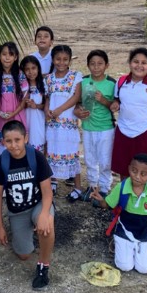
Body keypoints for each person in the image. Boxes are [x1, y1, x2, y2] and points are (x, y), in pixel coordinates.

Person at [0, 120, 55, 289]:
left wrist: (43, 214)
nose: (14, 145)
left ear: (25, 138)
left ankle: (43, 266)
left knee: (46, 223)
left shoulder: (36, 157)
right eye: (9, 141)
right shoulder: (1, 162)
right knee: (24, 254)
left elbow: (47, 192)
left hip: (37, 204)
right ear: (3, 142)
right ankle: (28, 232)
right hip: (18, 211)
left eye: (17, 140)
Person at [109, 47, 147, 179]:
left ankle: (142, 199)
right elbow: (118, 101)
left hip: (144, 133)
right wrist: (115, 105)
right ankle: (125, 197)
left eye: (144, 63)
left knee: (143, 172)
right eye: (136, 61)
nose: (139, 66)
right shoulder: (121, 82)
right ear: (130, 63)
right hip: (123, 131)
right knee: (124, 169)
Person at [75, 50, 116, 204]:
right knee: (90, 158)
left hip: (105, 128)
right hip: (87, 127)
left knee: (105, 160)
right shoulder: (83, 81)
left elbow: (115, 106)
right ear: (88, 65)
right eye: (92, 64)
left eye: (100, 64)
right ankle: (92, 187)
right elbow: (77, 100)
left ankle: (104, 189)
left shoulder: (112, 83)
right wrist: (78, 111)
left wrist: (103, 100)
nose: (96, 67)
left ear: (107, 65)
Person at [44, 45, 83, 202]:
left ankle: (78, 187)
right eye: (58, 59)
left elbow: (75, 97)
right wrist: (47, 110)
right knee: (52, 151)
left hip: (68, 123)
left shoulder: (75, 76)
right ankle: (52, 182)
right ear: (53, 60)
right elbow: (47, 97)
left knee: (72, 152)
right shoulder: (48, 78)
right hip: (53, 124)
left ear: (70, 60)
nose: (61, 62)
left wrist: (59, 109)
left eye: (65, 59)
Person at [0, 42, 28, 162]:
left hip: (16, 116)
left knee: (16, 147)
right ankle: (0, 176)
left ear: (15, 57)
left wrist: (13, 113)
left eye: (11, 54)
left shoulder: (20, 75)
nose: (7, 57)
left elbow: (24, 99)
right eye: (4, 54)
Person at [20, 55, 46, 152]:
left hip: (38, 124)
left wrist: (36, 106)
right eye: (27, 69)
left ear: (38, 68)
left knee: (37, 153)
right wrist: (25, 104)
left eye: (33, 68)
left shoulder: (43, 85)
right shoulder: (21, 86)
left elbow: (46, 105)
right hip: (24, 122)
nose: (31, 72)